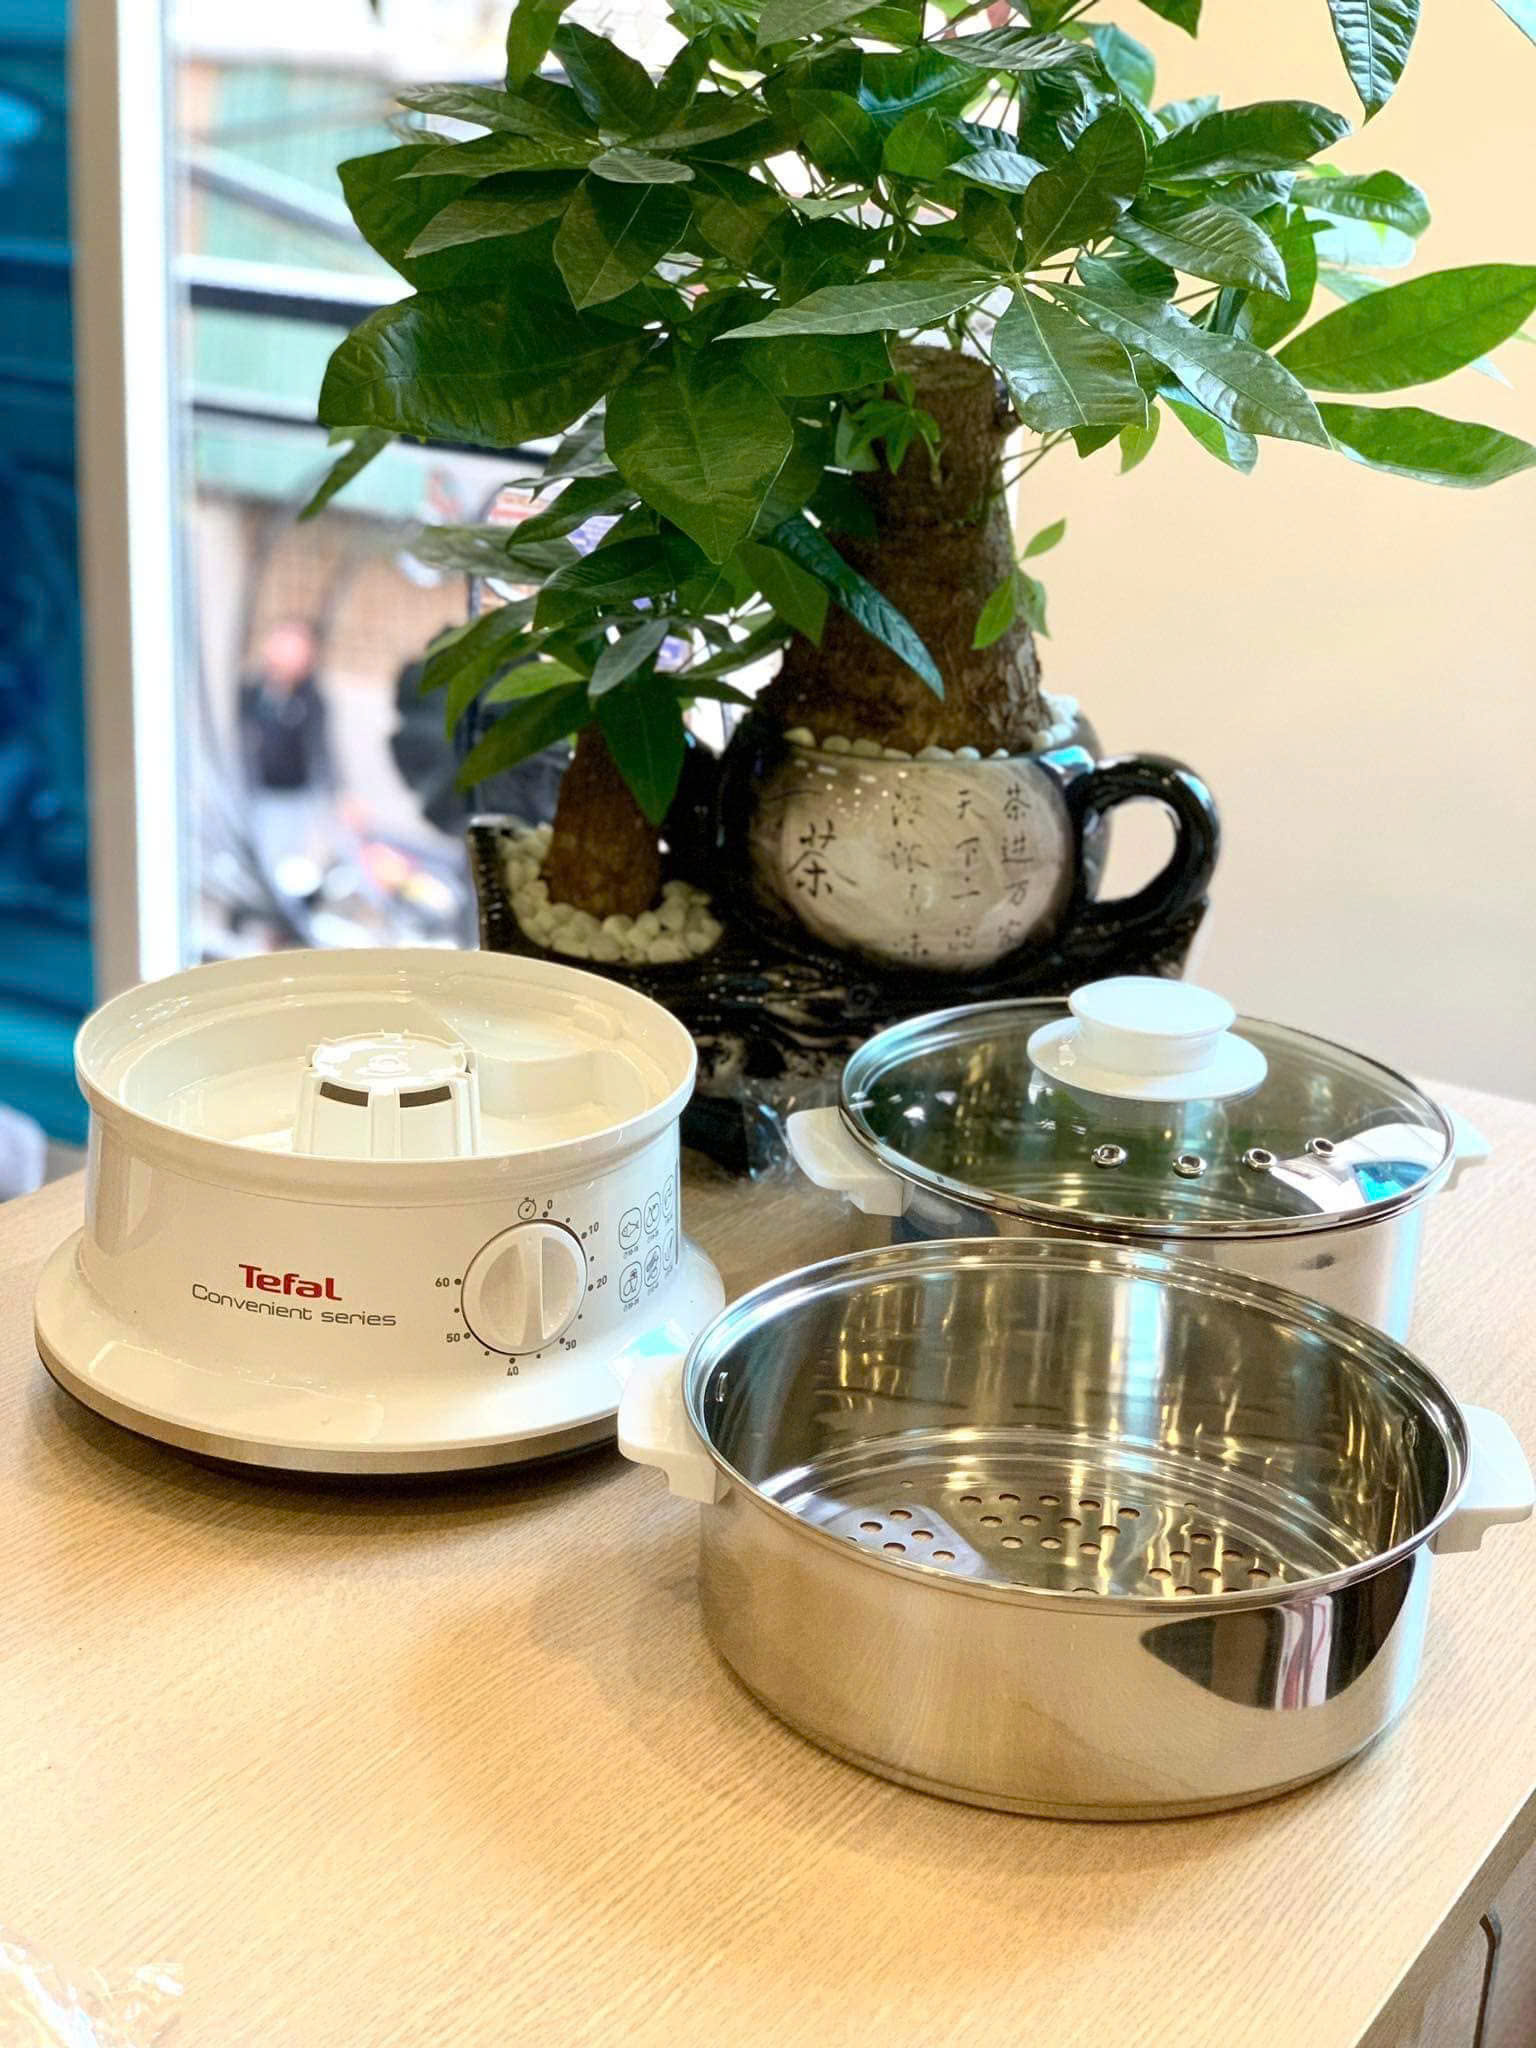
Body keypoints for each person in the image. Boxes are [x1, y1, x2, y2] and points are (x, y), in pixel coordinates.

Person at [235, 619, 335, 885]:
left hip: (295, 796)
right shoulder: (250, 693)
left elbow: (322, 750)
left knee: (290, 865)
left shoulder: (310, 699)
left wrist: (335, 793)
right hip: (257, 794)